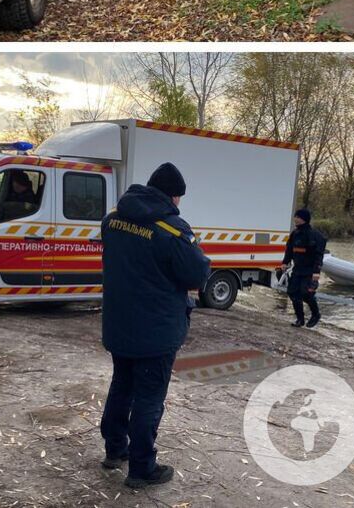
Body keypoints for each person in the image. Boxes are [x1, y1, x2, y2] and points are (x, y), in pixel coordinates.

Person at [98, 162, 210, 490]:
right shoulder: (173, 229)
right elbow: (196, 274)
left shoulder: (113, 220)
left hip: (119, 324)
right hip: (156, 329)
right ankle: (142, 468)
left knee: (121, 387)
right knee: (148, 397)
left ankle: (114, 450)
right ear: (172, 196)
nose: (179, 204)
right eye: (179, 198)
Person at [281, 209, 326, 328]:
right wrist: (285, 262)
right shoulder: (295, 234)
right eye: (295, 216)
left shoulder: (314, 235)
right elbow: (289, 250)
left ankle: (316, 315)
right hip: (297, 269)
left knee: (306, 294)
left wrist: (316, 272)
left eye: (297, 217)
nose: (295, 218)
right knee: (293, 293)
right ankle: (300, 319)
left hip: (309, 270)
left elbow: (318, 255)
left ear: (303, 219)